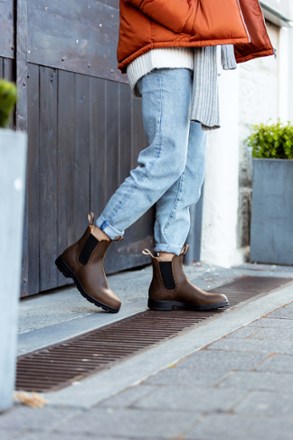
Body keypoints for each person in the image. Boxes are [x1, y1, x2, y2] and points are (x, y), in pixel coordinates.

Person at [56, 0, 273, 313]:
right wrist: (194, 20)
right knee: (166, 158)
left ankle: (168, 280)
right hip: (165, 47)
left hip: (198, 52)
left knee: (189, 171)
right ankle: (87, 250)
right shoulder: (185, 28)